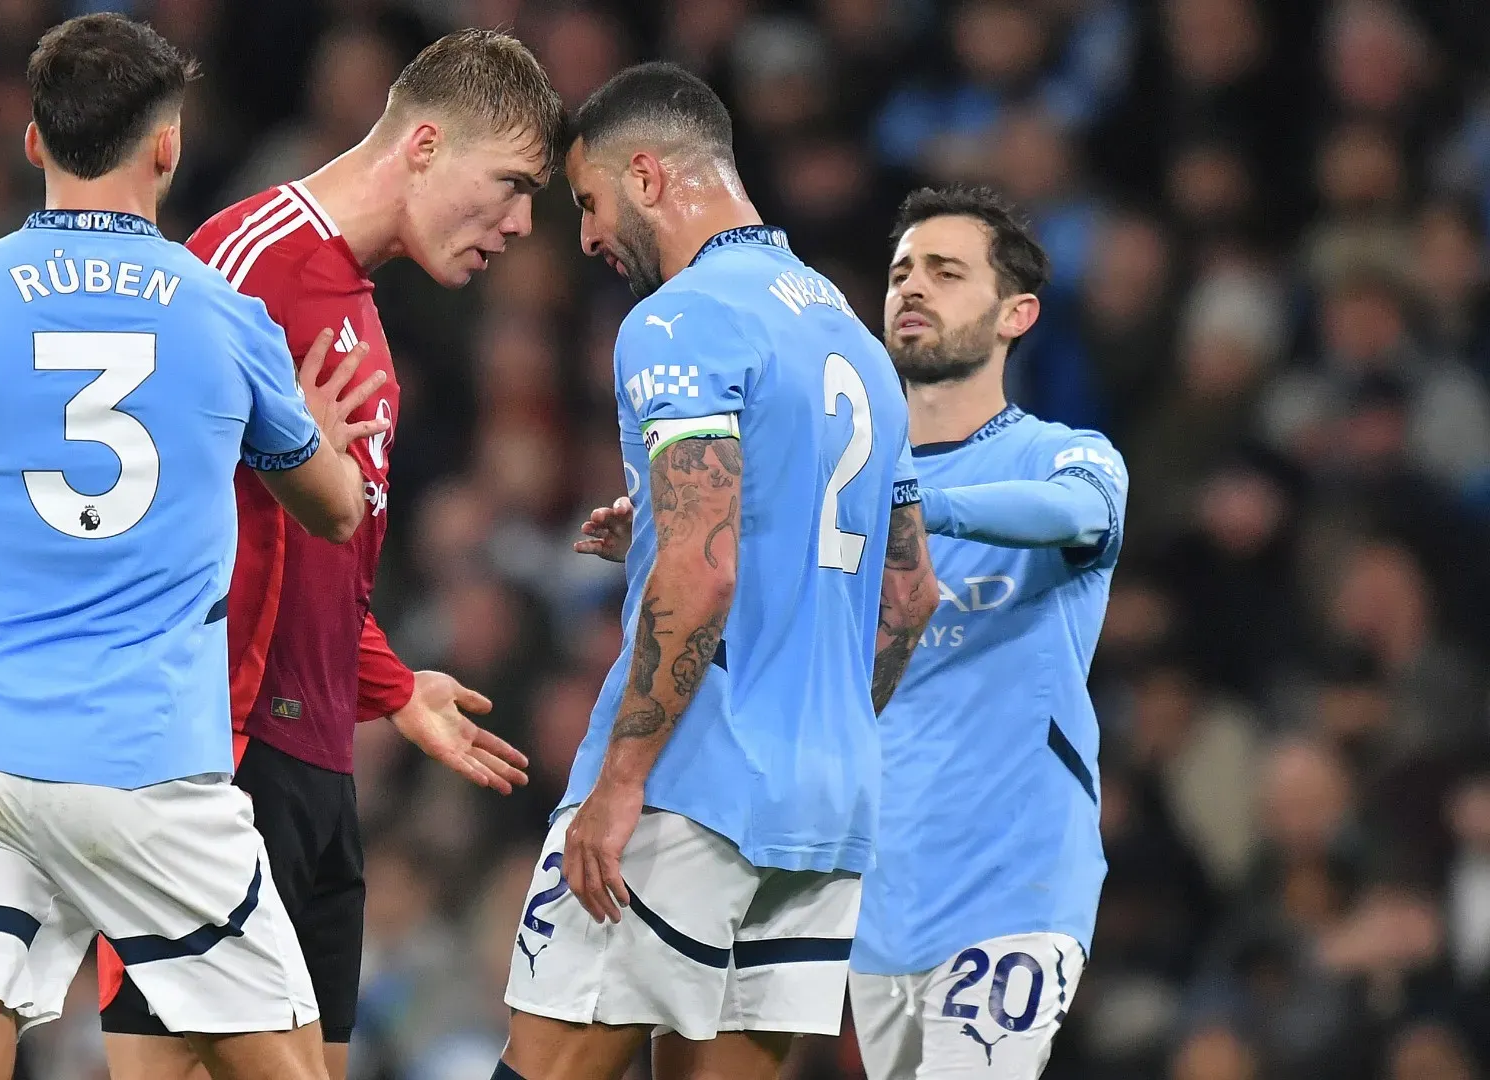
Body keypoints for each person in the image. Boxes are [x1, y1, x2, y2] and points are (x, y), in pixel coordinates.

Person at [0, 15, 387, 1080]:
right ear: (167, 147)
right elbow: (334, 508)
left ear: (34, 143)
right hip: (145, 771)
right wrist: (304, 429)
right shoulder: (225, 316)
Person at [95, 28, 564, 1080]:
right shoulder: (251, 255)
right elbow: (139, 488)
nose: (524, 223)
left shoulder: (358, 307)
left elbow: (310, 558)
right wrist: (269, 438)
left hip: (315, 774)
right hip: (215, 759)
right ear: (427, 145)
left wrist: (390, 686)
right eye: (511, 185)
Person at [496, 63, 939, 1080]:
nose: (589, 237)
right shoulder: (852, 335)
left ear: (647, 174)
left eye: (591, 202)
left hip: (694, 783)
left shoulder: (680, 321)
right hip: (828, 808)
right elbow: (906, 595)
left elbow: (704, 569)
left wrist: (622, 781)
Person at [847, 186, 1128, 1080]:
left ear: (1018, 313)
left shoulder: (1060, 454)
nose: (912, 288)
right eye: (899, 273)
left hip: (1016, 885)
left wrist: (915, 503)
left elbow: (1072, 513)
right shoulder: (844, 485)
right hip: (875, 903)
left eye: (945, 270)